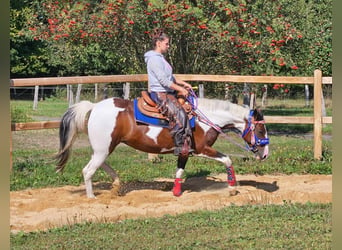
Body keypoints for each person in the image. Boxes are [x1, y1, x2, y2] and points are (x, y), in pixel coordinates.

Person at [144, 29, 194, 156]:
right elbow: (163, 80)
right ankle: (180, 145)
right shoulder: (154, 59)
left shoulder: (160, 58)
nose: (168, 46)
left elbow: (170, 76)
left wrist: (183, 83)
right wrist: (180, 89)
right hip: (160, 94)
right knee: (179, 114)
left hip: (166, 92)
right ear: (158, 43)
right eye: (166, 43)